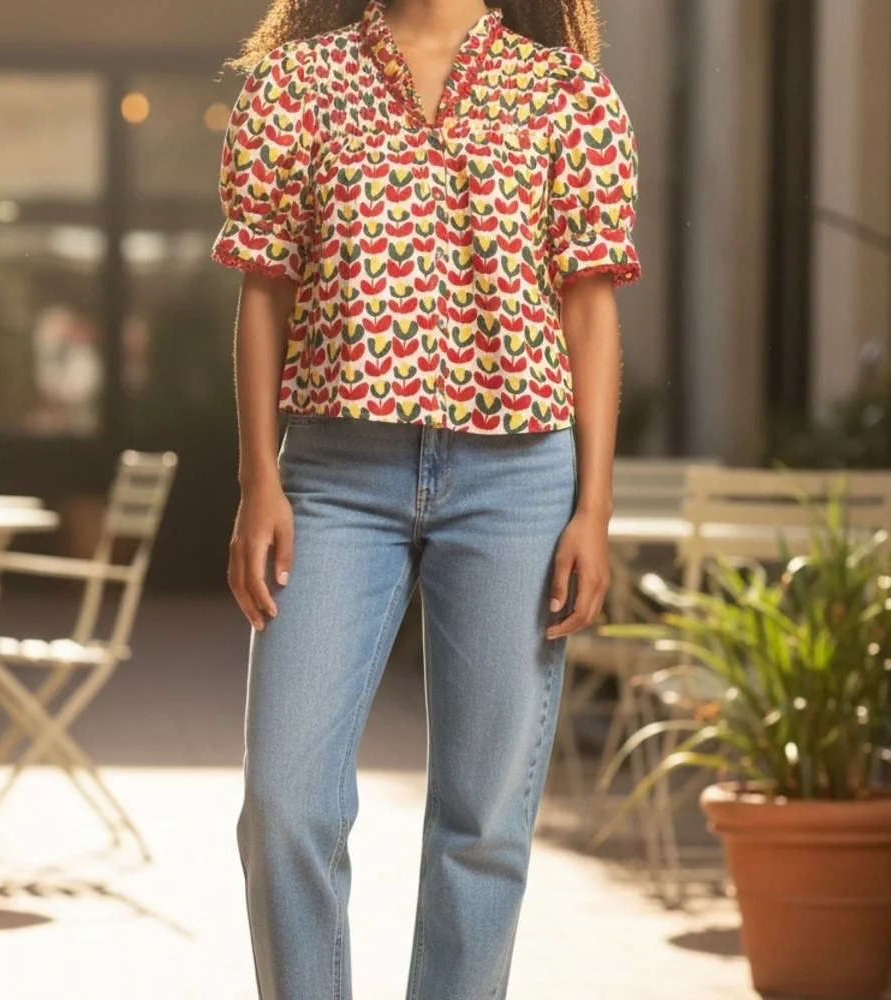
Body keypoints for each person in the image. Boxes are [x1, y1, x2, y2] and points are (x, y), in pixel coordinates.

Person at [211, 1, 640, 996]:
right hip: (331, 477)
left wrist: (594, 506)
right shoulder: (294, 83)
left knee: (482, 821)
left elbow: (590, 310)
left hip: (518, 482)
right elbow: (262, 289)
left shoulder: (568, 94)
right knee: (284, 803)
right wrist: (258, 476)